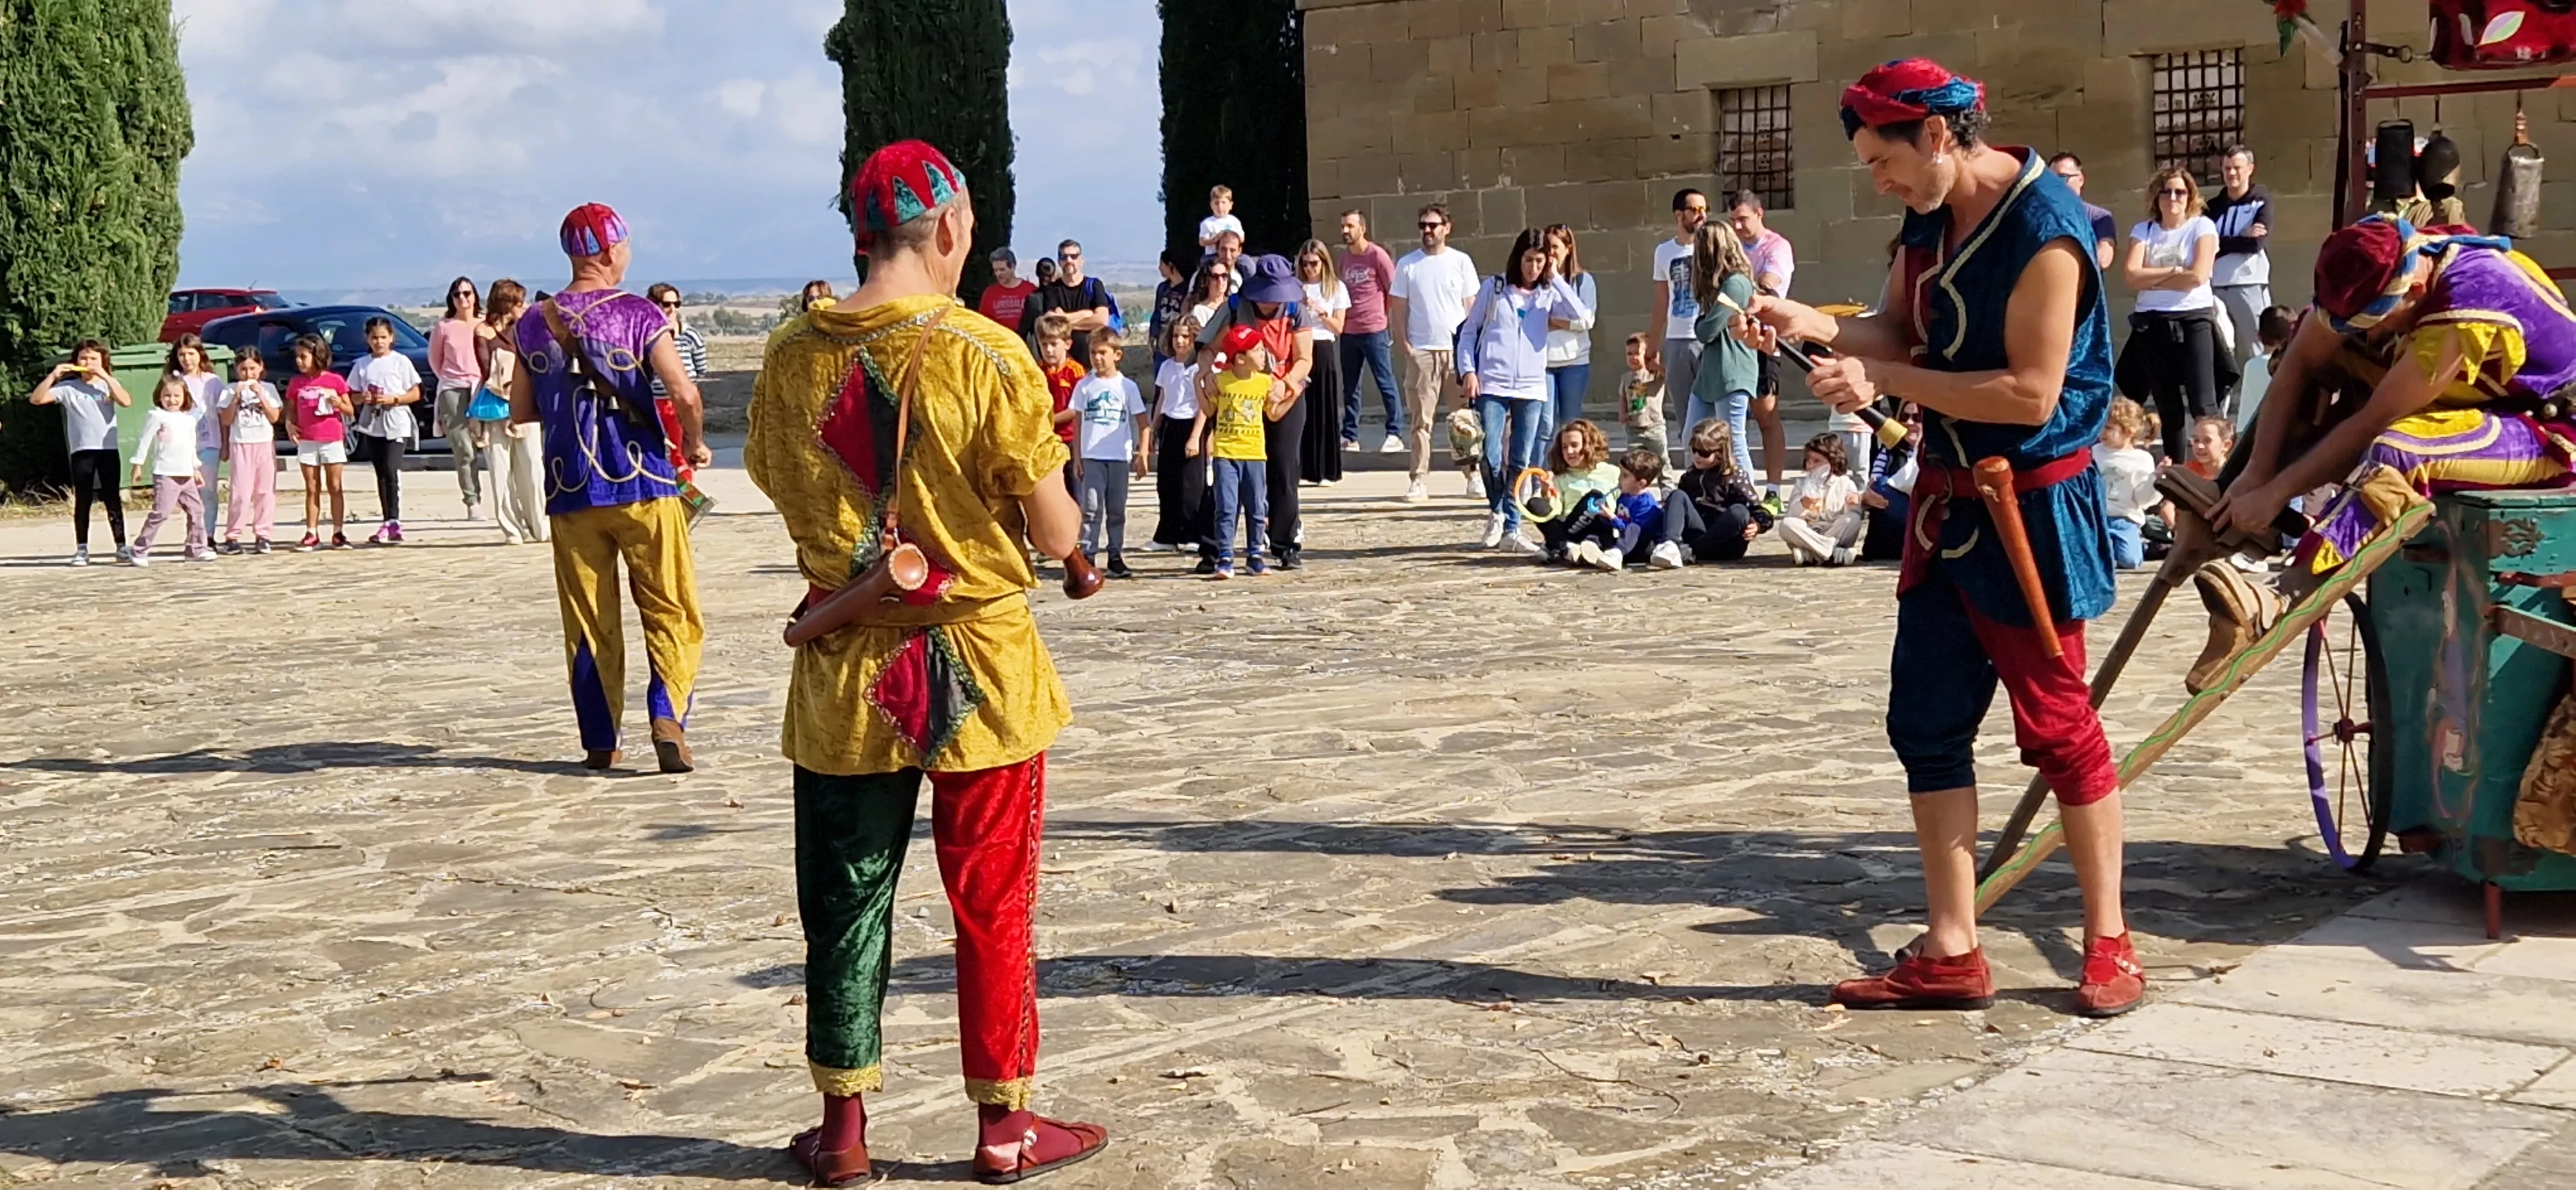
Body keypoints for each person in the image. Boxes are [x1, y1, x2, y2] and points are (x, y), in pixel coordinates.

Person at [739, 139, 1108, 1186]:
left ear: (860, 231)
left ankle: (844, 1128)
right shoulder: (990, 357)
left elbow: (783, 483)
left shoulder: (788, 356)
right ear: (948, 229)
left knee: (846, 903)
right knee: (992, 902)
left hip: (846, 676)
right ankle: (1004, 1130)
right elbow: (1051, 530)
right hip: (980, 673)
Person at [1738, 59, 2137, 1017]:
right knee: (1926, 724)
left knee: (2059, 728)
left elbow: (2028, 392)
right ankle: (1953, 948)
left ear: (1941, 137)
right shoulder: (1930, 212)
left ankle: (2110, 941)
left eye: (1885, 160)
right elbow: (1898, 331)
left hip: (2029, 509)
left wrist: (1884, 385)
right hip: (1947, 506)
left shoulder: (2048, 231)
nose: (1878, 180)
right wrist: (1817, 324)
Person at [507, 202, 712, 774]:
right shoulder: (639, 313)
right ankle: (667, 714)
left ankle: (601, 738)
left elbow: (521, 409)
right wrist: (693, 442)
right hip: (643, 479)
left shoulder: (531, 324)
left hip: (570, 486)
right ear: (608, 250)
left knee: (588, 619)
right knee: (671, 606)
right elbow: (684, 392)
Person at [1457, 227, 1587, 554]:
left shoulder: (1549, 292)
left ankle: (1512, 527)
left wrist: (1556, 278)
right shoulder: (1495, 288)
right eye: (1529, 260)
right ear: (1519, 258)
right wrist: (1469, 371)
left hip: (1531, 385)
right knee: (1489, 455)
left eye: (1540, 261)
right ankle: (1497, 511)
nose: (1534, 268)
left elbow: (1581, 317)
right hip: (1493, 382)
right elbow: (1469, 332)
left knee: (1521, 459)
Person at [1195, 254, 1317, 569]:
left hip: (1282, 394)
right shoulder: (1236, 307)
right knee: (1227, 472)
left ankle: (1284, 544)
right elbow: (1207, 346)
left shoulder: (1295, 310)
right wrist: (1207, 373)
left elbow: (1305, 358)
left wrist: (1287, 383)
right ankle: (1213, 548)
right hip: (1238, 395)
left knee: (1284, 468)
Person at [2121, 165, 2228, 461]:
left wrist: (2151, 276)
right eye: (2166, 191)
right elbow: (2130, 276)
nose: (2173, 198)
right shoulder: (2143, 230)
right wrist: (2173, 271)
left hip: (2193, 318)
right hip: (2152, 322)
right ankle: (2175, 474)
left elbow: (2198, 276)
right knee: (2167, 406)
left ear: (2190, 195)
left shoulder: (2202, 227)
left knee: (2203, 405)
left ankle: (2216, 470)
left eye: (2180, 191)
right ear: (2156, 197)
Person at [1387, 203, 1481, 502]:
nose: (1427, 231)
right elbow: (1398, 309)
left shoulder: (1461, 262)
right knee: (1421, 420)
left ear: (1446, 228)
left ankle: (1472, 475)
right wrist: (1406, 347)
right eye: (1423, 226)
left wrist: (1472, 350)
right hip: (1423, 351)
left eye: (1433, 225)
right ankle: (1418, 479)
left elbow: (1471, 307)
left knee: (1463, 418)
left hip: (1455, 350)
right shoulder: (1408, 264)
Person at [1196, 322, 1287, 578]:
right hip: (1226, 453)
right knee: (1226, 506)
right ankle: (1225, 556)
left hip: (1255, 453)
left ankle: (1255, 555)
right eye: (1257, 351)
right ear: (1240, 359)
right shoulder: (1221, 381)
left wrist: (1291, 392)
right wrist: (1198, 383)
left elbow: (1273, 413)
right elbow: (1209, 410)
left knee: (1257, 507)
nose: (1263, 355)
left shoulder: (1265, 382)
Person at [1731, 193, 1797, 499]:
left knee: (1766, 415)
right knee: (1731, 418)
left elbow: (1768, 286)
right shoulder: (1730, 246)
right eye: (1733, 220)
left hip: (1762, 339)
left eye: (1743, 218)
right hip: (1731, 339)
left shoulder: (1777, 247)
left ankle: (1773, 489)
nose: (1738, 226)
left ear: (1760, 214)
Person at [1072, 328, 1148, 579]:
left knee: (1116, 508)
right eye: (1093, 353)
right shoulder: (1085, 386)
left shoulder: (1127, 387)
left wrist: (1143, 452)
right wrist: (1078, 458)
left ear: (1117, 355)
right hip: (1092, 455)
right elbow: (1078, 422)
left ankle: (1115, 554)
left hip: (1117, 456)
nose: (1097, 358)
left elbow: (1141, 420)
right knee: (1092, 507)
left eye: (1103, 353)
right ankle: (1088, 553)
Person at [1689, 222, 1761, 480]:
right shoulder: (1716, 286)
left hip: (1732, 369)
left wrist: (1700, 324)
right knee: (1693, 435)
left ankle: (1748, 499)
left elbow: (1708, 330)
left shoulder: (1736, 284)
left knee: (1733, 441)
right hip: (1710, 370)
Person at [477, 279, 547, 545]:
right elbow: (484, 368)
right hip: (496, 405)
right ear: (508, 304)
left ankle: (539, 524)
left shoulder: (527, 329)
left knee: (532, 466)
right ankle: (511, 528)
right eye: (520, 302)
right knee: (500, 470)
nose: (525, 307)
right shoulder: (484, 331)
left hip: (525, 403)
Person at [346, 317, 423, 545]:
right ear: (367, 339)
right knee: (381, 472)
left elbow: (416, 392)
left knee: (391, 469)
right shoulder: (361, 365)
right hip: (373, 423)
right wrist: (365, 398)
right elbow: (353, 394)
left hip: (396, 421)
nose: (379, 342)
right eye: (374, 338)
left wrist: (395, 399)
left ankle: (395, 519)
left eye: (383, 337)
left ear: (391, 338)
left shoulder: (401, 362)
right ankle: (387, 520)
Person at [2207, 145, 2275, 396]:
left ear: (2250, 169)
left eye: (2237, 168)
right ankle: (2219, 417)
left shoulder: (2262, 201)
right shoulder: (2212, 207)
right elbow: (2205, 245)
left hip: (2249, 285)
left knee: (2259, 349)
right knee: (2220, 354)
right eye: (2227, 168)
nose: (2232, 174)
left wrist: (2222, 241)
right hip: (2214, 287)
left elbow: (2255, 243)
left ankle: (2264, 406)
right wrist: (2237, 237)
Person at [1659, 417, 1772, 567]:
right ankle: (1671, 545)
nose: (1697, 456)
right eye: (1694, 450)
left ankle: (1690, 552)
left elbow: (1760, 511)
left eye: (1704, 453)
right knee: (1677, 496)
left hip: (1725, 542)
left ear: (1721, 454)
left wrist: (1758, 525)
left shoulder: (1735, 477)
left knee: (1740, 512)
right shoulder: (1689, 477)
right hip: (1698, 533)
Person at [1336, 210, 1403, 453]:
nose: (1345, 231)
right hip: (1349, 331)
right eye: (1343, 226)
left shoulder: (1378, 256)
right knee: (1350, 386)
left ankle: (1395, 432)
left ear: (1362, 228)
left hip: (1374, 330)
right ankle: (1350, 435)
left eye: (1350, 226)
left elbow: (1393, 291)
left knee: (1385, 381)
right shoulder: (1344, 260)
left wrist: (1384, 319)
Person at [128, 375, 213, 565]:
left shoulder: (189, 420)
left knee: (197, 511)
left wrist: (195, 468)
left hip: (187, 474)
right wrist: (138, 464)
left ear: (184, 397)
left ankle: (196, 548)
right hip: (166, 473)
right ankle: (139, 549)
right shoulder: (157, 416)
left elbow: (191, 446)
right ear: (159, 396)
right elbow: (145, 440)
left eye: (176, 396)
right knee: (161, 513)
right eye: (167, 395)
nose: (172, 400)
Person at [1150, 317, 1214, 562]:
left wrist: (1196, 436)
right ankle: (1167, 534)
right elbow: (1163, 398)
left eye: (1186, 337)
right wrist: (1154, 428)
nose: (1180, 341)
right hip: (1170, 423)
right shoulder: (1166, 367)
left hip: (1191, 424)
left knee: (1191, 484)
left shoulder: (1198, 368)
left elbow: (1202, 405)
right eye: (1176, 336)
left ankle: (1192, 533)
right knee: (1167, 481)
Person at [284, 333, 354, 551]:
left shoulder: (335, 380)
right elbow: (291, 409)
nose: (299, 361)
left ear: (317, 356)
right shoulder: (297, 383)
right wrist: (289, 424)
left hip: (331, 438)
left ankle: (338, 531)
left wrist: (338, 404)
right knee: (312, 487)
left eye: (304, 357)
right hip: (307, 439)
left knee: (335, 486)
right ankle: (312, 531)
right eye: (297, 357)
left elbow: (350, 409)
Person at [1650, 189, 1712, 426]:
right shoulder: (1664, 251)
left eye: (1705, 209)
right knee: (1686, 418)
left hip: (1707, 337)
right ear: (1679, 215)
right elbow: (1661, 300)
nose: (1701, 215)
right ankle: (1691, 461)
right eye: (1695, 210)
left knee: (1713, 416)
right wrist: (1654, 345)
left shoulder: (1711, 247)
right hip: (1677, 340)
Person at [430, 277, 487, 520]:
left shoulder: (484, 324)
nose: (463, 298)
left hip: (483, 387)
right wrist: (449, 379)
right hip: (453, 388)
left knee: (490, 444)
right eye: (457, 294)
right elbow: (435, 359)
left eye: (467, 293)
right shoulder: (444, 327)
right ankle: (472, 499)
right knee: (464, 448)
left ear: (475, 296)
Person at [1528, 417, 1620, 565]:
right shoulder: (1561, 478)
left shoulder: (1613, 473)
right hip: (1572, 530)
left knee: (1595, 498)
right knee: (1535, 504)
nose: (1569, 451)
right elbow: (1555, 512)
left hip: (1602, 525)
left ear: (1589, 446)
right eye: (1564, 447)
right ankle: (1565, 547)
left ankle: (1557, 547)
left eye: (1574, 445)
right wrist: (1547, 491)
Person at [1294, 239, 1349, 486]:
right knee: (1301, 406)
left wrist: (1320, 311)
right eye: (1305, 264)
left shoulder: (1335, 288)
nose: (1309, 269)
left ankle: (1326, 468)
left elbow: (1339, 327)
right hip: (1300, 344)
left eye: (1314, 264)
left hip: (1323, 344)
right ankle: (1303, 465)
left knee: (1324, 405)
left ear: (1323, 263)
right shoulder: (1297, 287)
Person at [215, 351, 281, 554]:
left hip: (263, 444)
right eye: (243, 369)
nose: (248, 373)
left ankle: (263, 534)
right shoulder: (230, 389)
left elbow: (274, 417)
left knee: (265, 491)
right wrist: (235, 398)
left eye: (252, 368)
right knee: (241, 493)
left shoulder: (268, 388)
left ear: (261, 368)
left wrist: (261, 394)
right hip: (241, 443)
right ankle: (233, 536)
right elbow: (225, 420)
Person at [1539, 224, 1598, 446]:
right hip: (1544, 362)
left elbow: (1586, 320)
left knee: (1571, 423)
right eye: (1546, 247)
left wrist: (1555, 322)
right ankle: (1542, 475)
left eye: (1555, 247)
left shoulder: (1583, 281)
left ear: (1568, 248)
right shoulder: (1538, 282)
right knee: (1545, 424)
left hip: (1574, 362)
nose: (1550, 253)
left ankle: (1568, 472)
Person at [1776, 435, 1863, 566]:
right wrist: (1802, 505)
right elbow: (1791, 515)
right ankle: (1831, 552)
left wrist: (1853, 504)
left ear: (1833, 462)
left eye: (1817, 461)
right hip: (1809, 532)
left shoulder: (1845, 483)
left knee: (1853, 520)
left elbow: (1854, 512)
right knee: (1787, 525)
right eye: (1808, 461)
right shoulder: (1802, 484)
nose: (1811, 466)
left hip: (1834, 531)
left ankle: (1812, 554)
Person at [1019, 240, 1115, 355]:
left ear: (1081, 261)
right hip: (1064, 360)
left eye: (1073, 257)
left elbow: (1101, 321)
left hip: (1092, 357)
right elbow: (1052, 324)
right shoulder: (1052, 290)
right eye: (1064, 257)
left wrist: (1064, 319)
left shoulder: (1094, 285)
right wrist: (1086, 314)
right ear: (1059, 262)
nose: (1069, 261)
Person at [167, 335, 226, 515]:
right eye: (182, 355)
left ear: (200, 354)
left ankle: (207, 534)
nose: (187, 359)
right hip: (183, 445)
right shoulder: (174, 381)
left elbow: (222, 414)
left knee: (207, 490)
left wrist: (225, 443)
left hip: (209, 442)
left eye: (191, 353)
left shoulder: (213, 381)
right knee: (188, 493)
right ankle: (194, 535)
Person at [2096, 398, 2157, 570]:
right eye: (2101, 426)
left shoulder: (2141, 459)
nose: (2102, 432)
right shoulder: (2094, 453)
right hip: (2096, 517)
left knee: (2130, 561)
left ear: (2129, 432)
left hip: (2125, 519)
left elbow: (2143, 499)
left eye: (2108, 428)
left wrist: (2155, 479)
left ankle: (2141, 544)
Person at [1859, 405, 1923, 562]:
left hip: (1923, 518)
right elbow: (1873, 488)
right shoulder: (1889, 451)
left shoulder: (1933, 452)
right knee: (1880, 485)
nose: (1909, 422)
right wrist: (1869, 498)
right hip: (1891, 534)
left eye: (1916, 418)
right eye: (1904, 417)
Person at [1032, 312, 1086, 496]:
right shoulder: (1038, 371)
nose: (1048, 350)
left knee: (1074, 492)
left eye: (1053, 344)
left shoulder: (1075, 371)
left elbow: (1076, 409)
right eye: (1044, 345)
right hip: (1046, 439)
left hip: (1070, 440)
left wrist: (1050, 420)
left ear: (1067, 344)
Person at [2046, 153, 2118, 270]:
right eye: (2051, 180)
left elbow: (2104, 259)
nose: (2057, 184)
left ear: (2081, 179)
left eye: (2062, 177)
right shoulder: (2040, 217)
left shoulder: (2099, 217)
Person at [2237, 304, 2295, 434]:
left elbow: (2247, 413)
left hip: (2253, 435)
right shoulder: (2295, 366)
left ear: (2259, 335)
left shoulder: (2252, 366)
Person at [1620, 333, 1668, 461]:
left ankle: (1666, 481)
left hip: (1654, 426)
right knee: (1634, 460)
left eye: (1637, 354)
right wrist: (1622, 412)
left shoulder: (1654, 374)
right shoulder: (1626, 378)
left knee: (1661, 458)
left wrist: (1656, 365)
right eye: (1629, 354)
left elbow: (1667, 374)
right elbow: (1623, 396)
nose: (1633, 357)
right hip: (1633, 427)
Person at [1148, 247, 1192, 366]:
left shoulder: (1187, 289)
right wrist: (1153, 335)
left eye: (1162, 264)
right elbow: (1157, 313)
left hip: (1178, 339)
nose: (1159, 268)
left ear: (1170, 265)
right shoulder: (1162, 288)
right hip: (1162, 341)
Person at [976, 247, 1038, 331]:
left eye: (1002, 270)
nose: (998, 274)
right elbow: (983, 322)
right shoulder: (989, 293)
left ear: (1012, 267)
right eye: (996, 270)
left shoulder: (1030, 290)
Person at [1198, 184, 1244, 250]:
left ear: (1231, 205)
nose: (1220, 207)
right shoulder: (1207, 223)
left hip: (1233, 255)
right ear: (1211, 205)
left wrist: (1230, 238)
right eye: (1216, 203)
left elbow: (1242, 238)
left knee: (1246, 260)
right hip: (1213, 255)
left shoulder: (1235, 221)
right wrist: (1215, 239)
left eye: (1223, 203)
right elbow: (1202, 242)